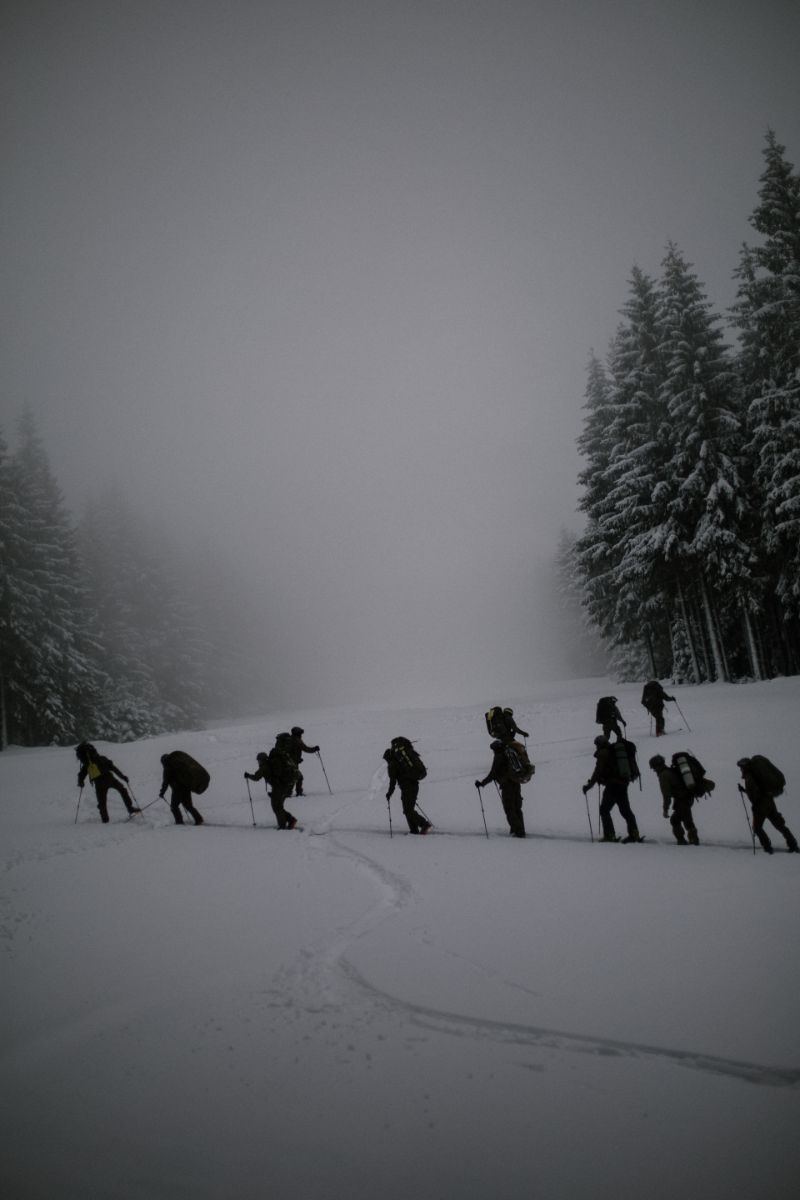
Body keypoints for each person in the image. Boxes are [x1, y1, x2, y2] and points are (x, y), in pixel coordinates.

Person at [582, 735, 643, 843]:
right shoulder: (614, 751)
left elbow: (598, 771)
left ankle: (610, 835)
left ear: (600, 744)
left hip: (613, 784)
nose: (596, 747)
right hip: (623, 783)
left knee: (604, 810)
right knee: (625, 810)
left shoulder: (604, 753)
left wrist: (589, 786)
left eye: (596, 745)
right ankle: (634, 833)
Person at [737, 757, 798, 855]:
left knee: (757, 828)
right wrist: (744, 790)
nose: (740, 770)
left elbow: (754, 793)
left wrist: (754, 805)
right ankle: (793, 845)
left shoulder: (749, 777)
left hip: (760, 805)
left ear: (745, 767)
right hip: (769, 801)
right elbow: (758, 790)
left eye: (741, 768)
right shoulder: (757, 775)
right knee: (779, 825)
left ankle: (767, 848)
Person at [75, 742, 140, 822]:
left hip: (99, 784)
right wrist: (122, 777)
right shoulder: (102, 759)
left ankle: (105, 820)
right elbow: (113, 768)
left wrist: (80, 782)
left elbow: (81, 775)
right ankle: (130, 808)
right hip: (110, 779)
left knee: (102, 802)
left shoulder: (87, 764)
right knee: (122, 790)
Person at [245, 735, 299, 830]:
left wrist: (248, 775)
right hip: (284, 786)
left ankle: (283, 825)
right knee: (278, 807)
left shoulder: (264, 767)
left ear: (261, 760)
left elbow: (256, 777)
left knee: (276, 807)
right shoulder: (271, 763)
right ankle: (291, 819)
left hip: (279, 788)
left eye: (258, 760)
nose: (258, 762)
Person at [475, 740, 527, 838]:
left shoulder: (499, 756)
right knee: (517, 808)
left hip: (507, 786)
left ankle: (518, 832)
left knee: (509, 809)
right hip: (516, 783)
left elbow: (493, 774)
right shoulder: (509, 754)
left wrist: (482, 783)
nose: (493, 752)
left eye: (493, 750)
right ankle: (519, 830)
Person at [649, 754, 698, 845]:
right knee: (678, 819)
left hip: (682, 799)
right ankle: (687, 840)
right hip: (687, 797)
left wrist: (665, 809)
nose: (654, 770)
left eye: (654, 768)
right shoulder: (670, 770)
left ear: (657, 766)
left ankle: (691, 841)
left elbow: (666, 795)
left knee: (683, 820)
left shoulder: (664, 775)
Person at [384, 738, 430, 835]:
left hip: (408, 788)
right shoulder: (399, 761)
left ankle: (424, 824)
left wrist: (389, 793)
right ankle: (414, 831)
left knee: (408, 810)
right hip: (413, 786)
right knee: (408, 810)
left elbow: (392, 782)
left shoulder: (392, 765)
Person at [158, 752, 205, 826]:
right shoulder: (178, 766)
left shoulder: (167, 769)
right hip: (186, 787)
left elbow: (165, 783)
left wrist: (162, 793)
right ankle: (198, 819)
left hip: (177, 790)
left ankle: (179, 821)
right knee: (188, 805)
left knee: (174, 807)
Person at [288, 726, 320, 796]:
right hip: (291, 763)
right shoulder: (296, 740)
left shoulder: (291, 739)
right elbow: (305, 748)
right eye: (300, 733)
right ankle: (294, 792)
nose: (301, 735)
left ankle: (288, 792)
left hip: (290, 762)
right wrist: (314, 749)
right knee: (298, 777)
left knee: (293, 777)